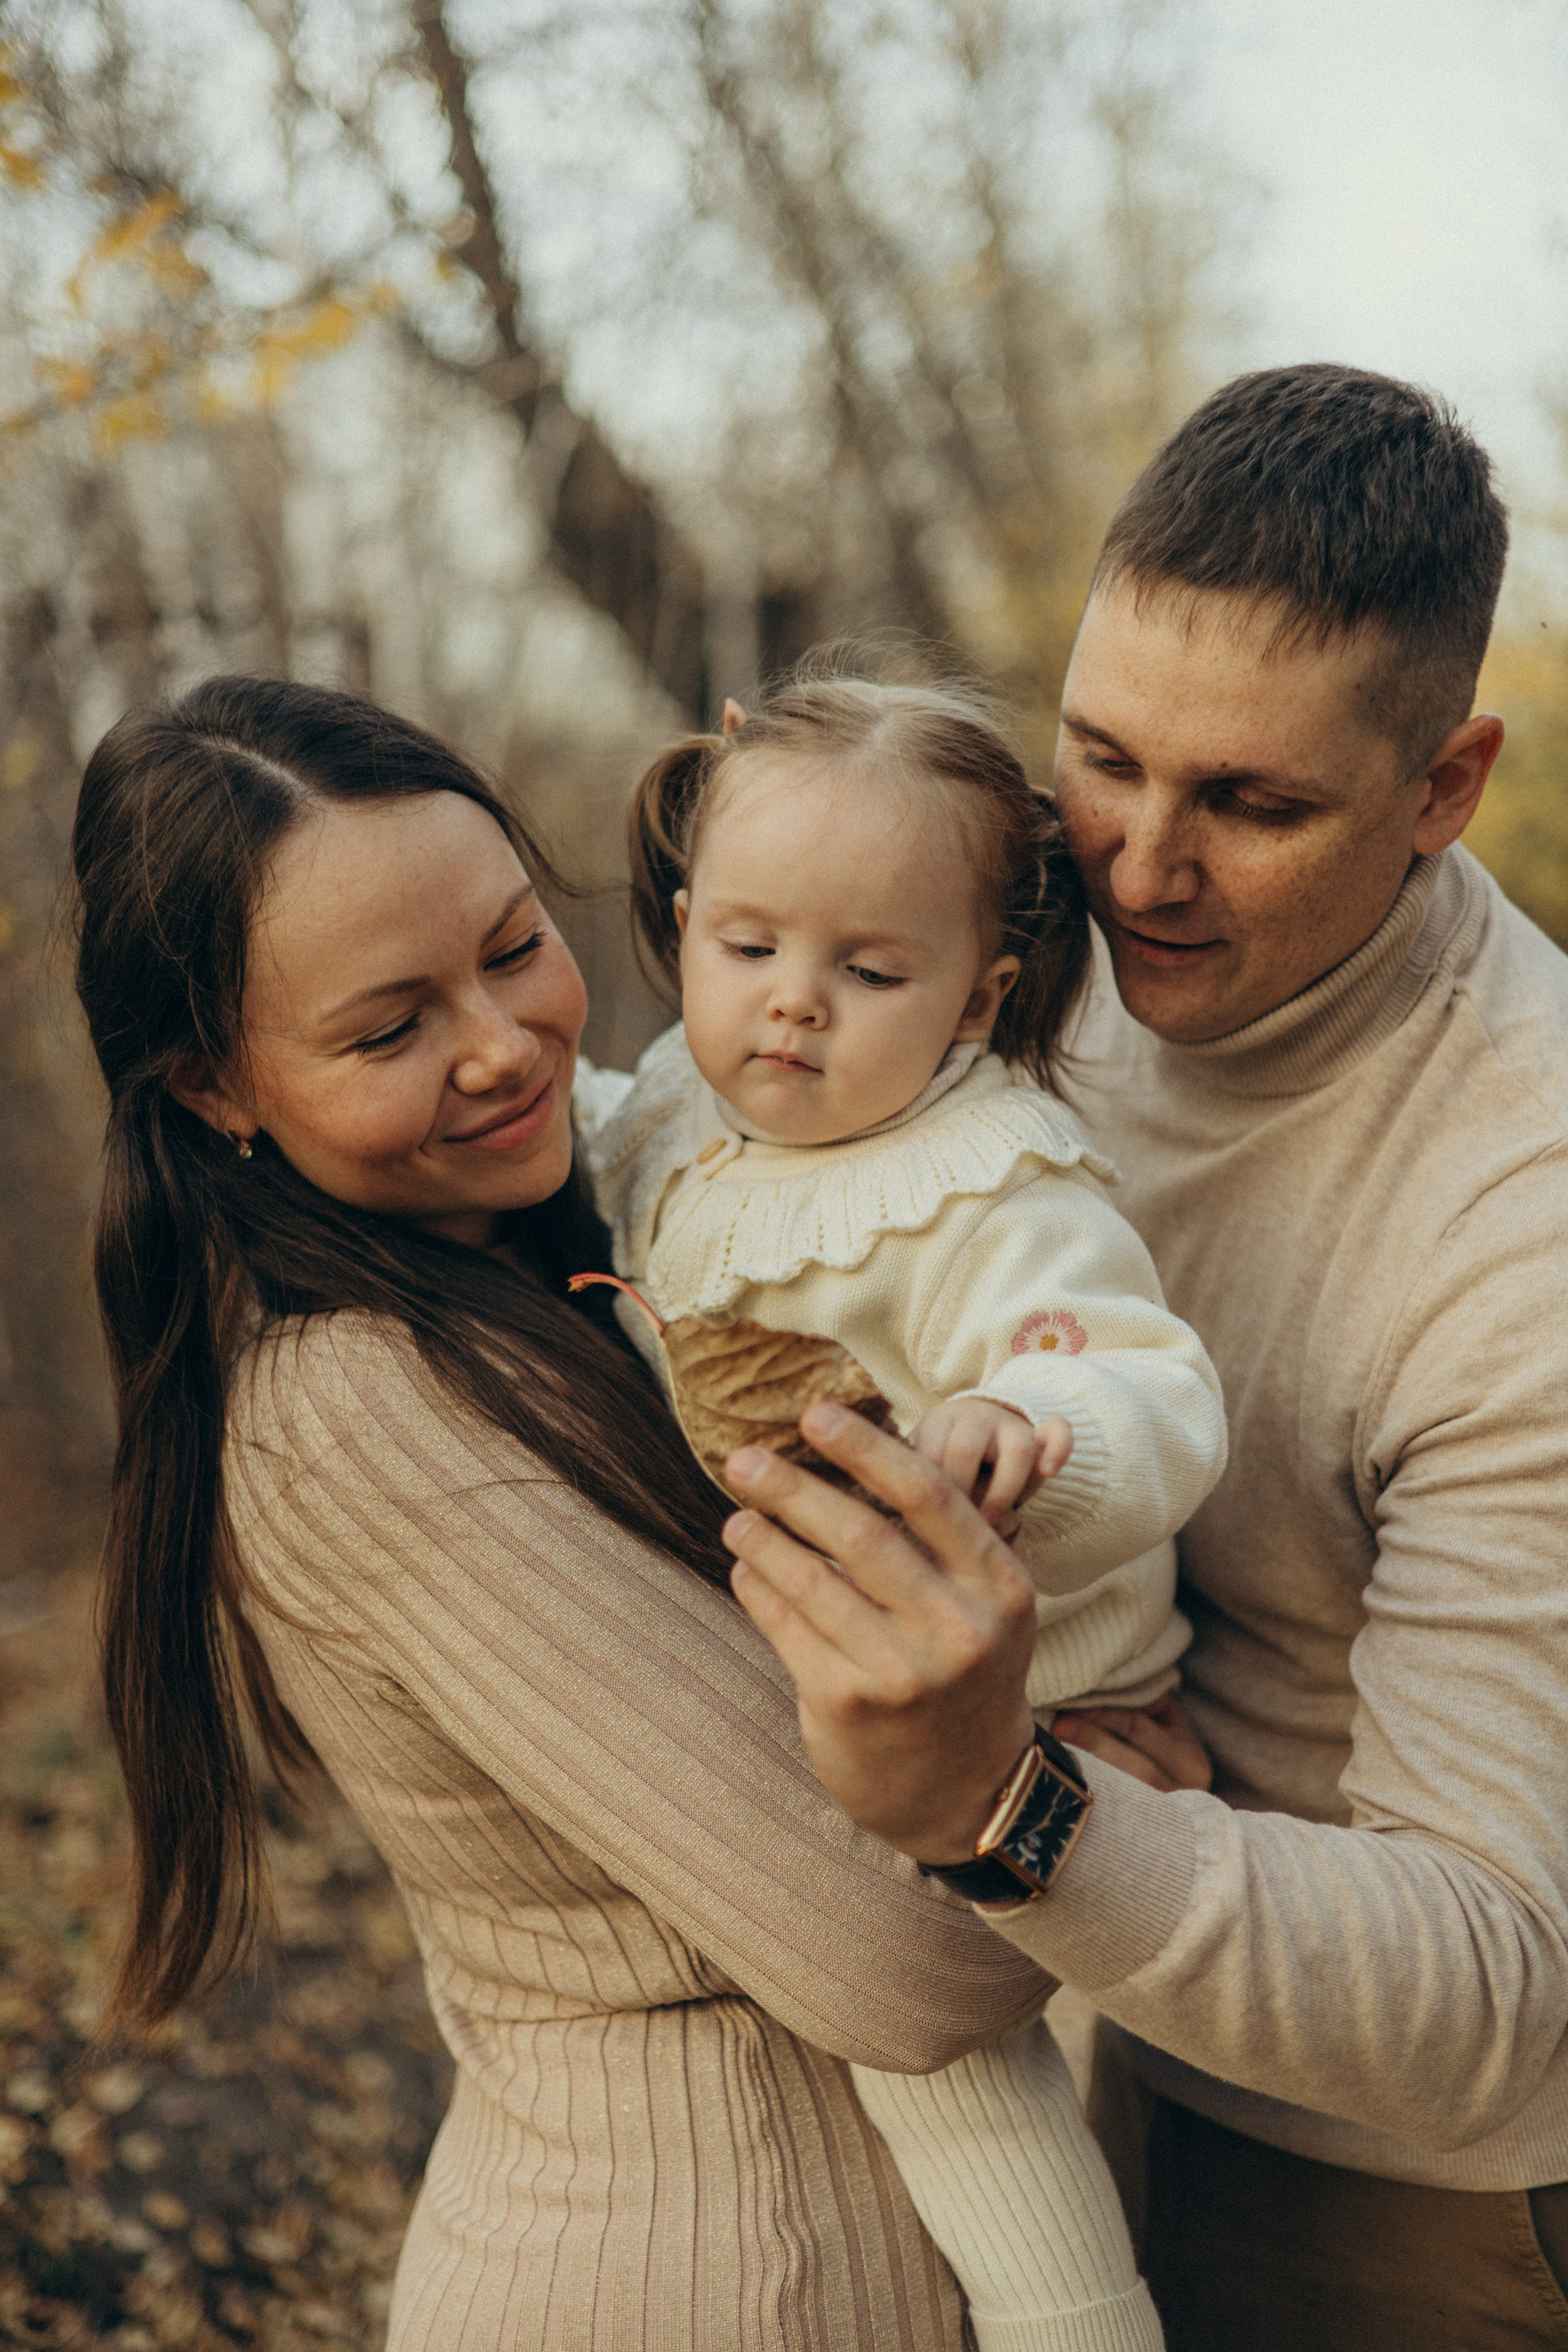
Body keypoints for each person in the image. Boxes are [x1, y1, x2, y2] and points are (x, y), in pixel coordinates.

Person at [719, 365, 1568, 2351]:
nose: (1135, 870)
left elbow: (1497, 1987)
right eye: (1102, 756)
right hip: (1101, 2028)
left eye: (1253, 806)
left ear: (1446, 787)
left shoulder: (1522, 1205)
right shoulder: (1022, 936)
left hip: (1405, 2204)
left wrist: (1008, 1810)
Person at [70, 674, 1066, 2352]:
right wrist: (1090, 1796)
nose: (502, 1045)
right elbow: (919, 1964)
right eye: (388, 1031)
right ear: (212, 1093)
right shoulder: (352, 1412)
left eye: (516, 945)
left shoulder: (596, 1214)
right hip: (710, 2270)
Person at [576, 671, 1229, 2350]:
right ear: (689, 922)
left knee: (932, 2052)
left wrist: (1032, 1419)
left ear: (973, 996)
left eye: (868, 972)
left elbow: (1157, 1390)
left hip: (1033, 1696)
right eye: (747, 949)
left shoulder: (986, 1186)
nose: (790, 1008)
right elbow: (615, 1157)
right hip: (842, 1674)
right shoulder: (677, 1103)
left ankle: (1080, 2325)